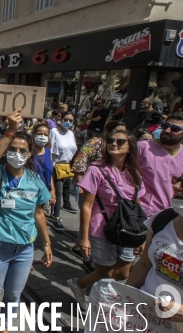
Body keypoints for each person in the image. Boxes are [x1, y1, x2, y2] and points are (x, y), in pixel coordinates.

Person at [0, 109, 53, 332]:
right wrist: (10, 132)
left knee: (13, 294)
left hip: (24, 248)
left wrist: (47, 243)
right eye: (13, 150)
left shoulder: (34, 180)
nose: (17, 153)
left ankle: (4, 323)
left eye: (23, 150)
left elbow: (39, 213)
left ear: (29, 154)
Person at [68, 130, 145, 311]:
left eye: (120, 142)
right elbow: (86, 205)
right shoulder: (96, 169)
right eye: (110, 140)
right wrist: (84, 238)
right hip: (101, 228)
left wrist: (142, 235)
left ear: (130, 146)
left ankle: (79, 283)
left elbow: (138, 204)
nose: (114, 144)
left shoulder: (134, 172)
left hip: (127, 228)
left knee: (123, 271)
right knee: (105, 272)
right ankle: (101, 309)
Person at [70, 121, 127, 271]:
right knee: (89, 218)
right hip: (88, 187)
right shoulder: (95, 143)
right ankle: (88, 252)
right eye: (118, 133)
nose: (117, 141)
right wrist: (80, 184)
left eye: (123, 137)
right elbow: (79, 163)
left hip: (106, 193)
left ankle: (82, 245)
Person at [126, 174, 183, 323]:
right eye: (178, 179)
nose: (176, 186)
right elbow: (144, 264)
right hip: (143, 315)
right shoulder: (162, 219)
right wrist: (125, 298)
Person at [137, 112, 183, 217]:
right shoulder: (142, 147)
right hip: (144, 214)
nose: (167, 130)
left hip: (174, 216)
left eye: (175, 129)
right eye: (165, 126)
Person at [48, 111, 78, 230]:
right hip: (56, 165)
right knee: (58, 191)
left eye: (71, 121)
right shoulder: (54, 132)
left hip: (67, 166)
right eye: (66, 119)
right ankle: (57, 217)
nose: (68, 122)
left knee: (65, 189)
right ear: (60, 119)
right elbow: (49, 149)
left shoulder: (71, 133)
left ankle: (55, 209)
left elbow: (74, 148)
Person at [31, 121, 56, 210]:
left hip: (44, 194)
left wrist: (52, 190)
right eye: (40, 134)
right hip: (32, 195)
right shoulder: (29, 153)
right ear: (34, 134)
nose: (43, 136)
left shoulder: (48, 151)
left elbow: (49, 172)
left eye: (45, 134)